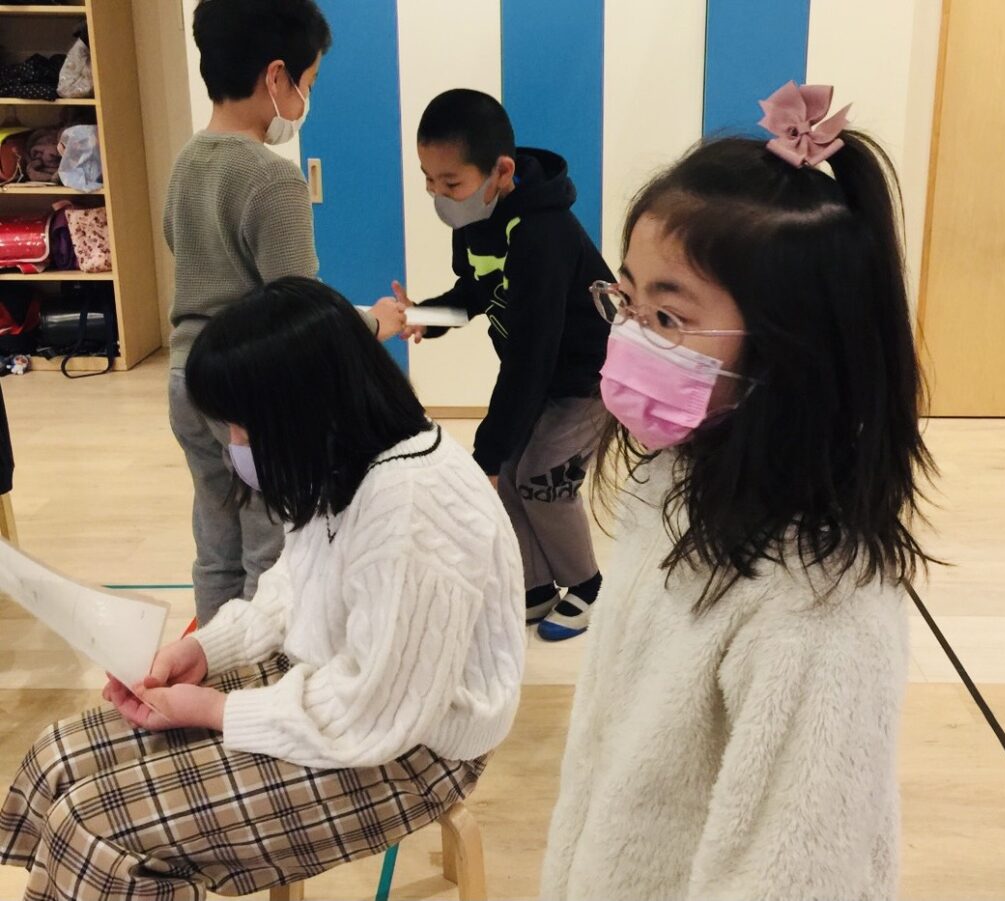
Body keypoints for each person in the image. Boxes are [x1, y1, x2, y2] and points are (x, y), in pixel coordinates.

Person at [0, 278, 524, 901]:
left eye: (240, 427)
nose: (234, 446)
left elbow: (377, 711)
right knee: (58, 757)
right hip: (335, 688)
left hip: (414, 747)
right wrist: (203, 651)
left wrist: (214, 711)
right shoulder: (347, 460)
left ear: (296, 413)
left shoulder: (413, 508)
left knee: (99, 824)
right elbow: (290, 587)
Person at [541, 82, 935, 900]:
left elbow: (796, 868)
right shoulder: (672, 479)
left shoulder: (820, 607)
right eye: (626, 299)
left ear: (792, 346)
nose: (629, 335)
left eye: (669, 318)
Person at [165, 0, 406, 625]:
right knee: (270, 551)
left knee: (216, 541)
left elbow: (191, 256)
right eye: (310, 82)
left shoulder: (187, 161)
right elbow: (299, 318)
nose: (307, 98)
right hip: (251, 393)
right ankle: (261, 670)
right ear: (277, 76)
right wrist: (377, 323)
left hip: (187, 378)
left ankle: (213, 660)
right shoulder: (273, 181)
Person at [395, 88, 612, 641]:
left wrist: (486, 451)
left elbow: (531, 356)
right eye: (428, 180)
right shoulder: (475, 218)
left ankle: (588, 587)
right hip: (541, 373)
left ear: (502, 171)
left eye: (451, 184)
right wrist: (426, 315)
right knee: (512, 473)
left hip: (587, 380)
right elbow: (476, 290)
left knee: (539, 478)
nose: (438, 195)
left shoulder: (544, 234)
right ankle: (536, 587)